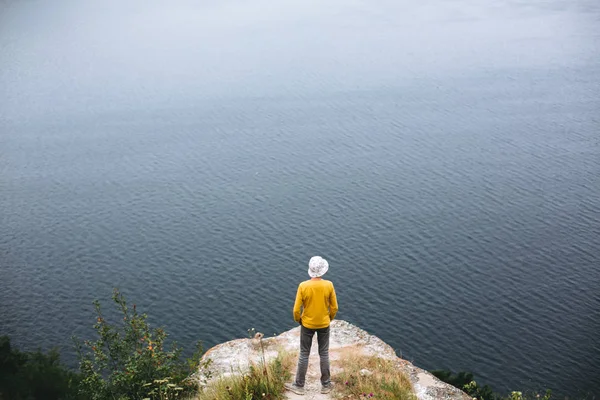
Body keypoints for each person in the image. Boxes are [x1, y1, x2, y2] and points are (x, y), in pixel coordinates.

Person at [285, 256, 339, 395]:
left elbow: (296, 310)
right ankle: (326, 385)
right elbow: (334, 308)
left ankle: (299, 385)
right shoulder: (329, 285)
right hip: (324, 324)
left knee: (304, 354)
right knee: (324, 353)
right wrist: (329, 319)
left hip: (307, 324)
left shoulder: (303, 286)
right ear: (323, 271)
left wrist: (299, 320)